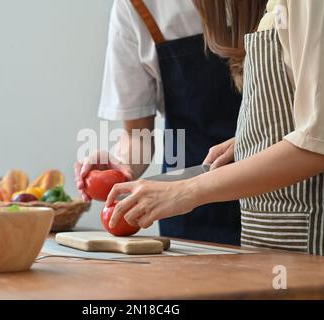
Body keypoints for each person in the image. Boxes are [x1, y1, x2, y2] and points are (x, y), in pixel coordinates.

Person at [106, 0, 324, 259]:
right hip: (225, 220)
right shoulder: (136, 7)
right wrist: (253, 137)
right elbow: (320, 122)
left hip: (305, 221)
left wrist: (187, 190)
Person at [75, 0, 243, 244]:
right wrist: (120, 166)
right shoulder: (136, 6)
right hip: (186, 210)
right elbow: (136, 134)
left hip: (274, 194)